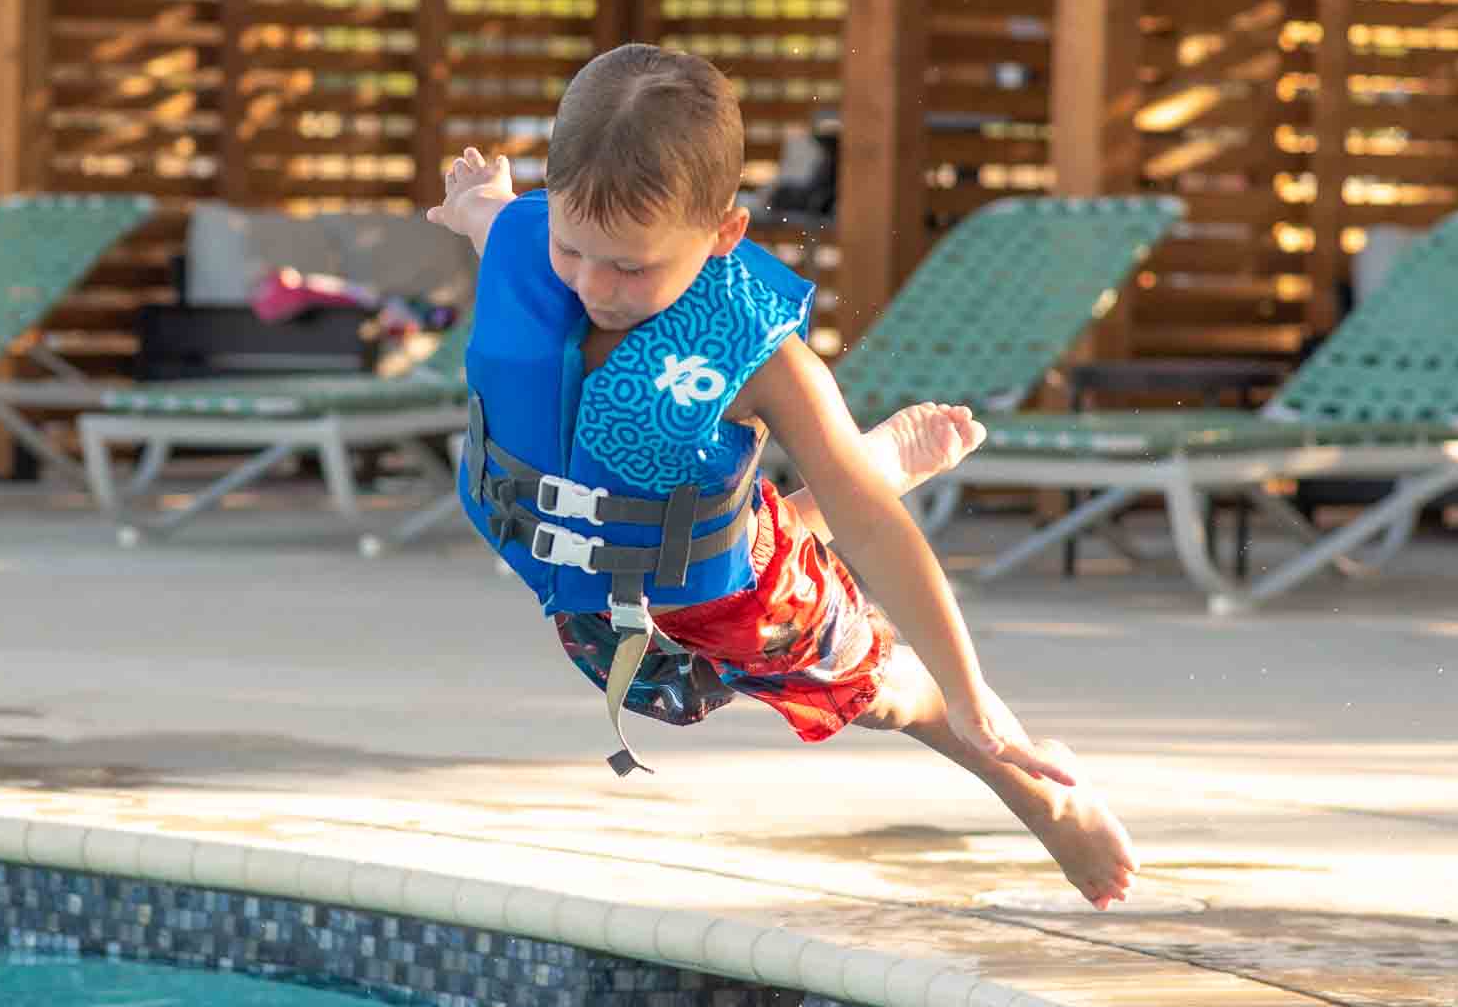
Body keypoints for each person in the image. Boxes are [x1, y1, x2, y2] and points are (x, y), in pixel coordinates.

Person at [423, 44, 1136, 910]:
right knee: (677, 665)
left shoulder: (768, 362)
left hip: (739, 601)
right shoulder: (534, 245)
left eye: (632, 266)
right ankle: (862, 468)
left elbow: (875, 529)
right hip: (592, 590)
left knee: (875, 692)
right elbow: (498, 219)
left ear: (724, 234)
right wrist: (475, 202)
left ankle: (1038, 796)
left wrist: (970, 691)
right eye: (573, 249)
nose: (593, 287)